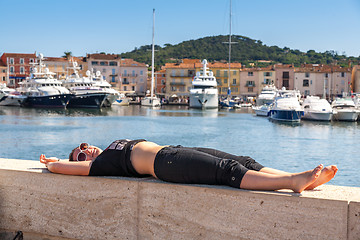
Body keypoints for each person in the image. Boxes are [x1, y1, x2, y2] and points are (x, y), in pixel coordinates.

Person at [40, 139, 338, 193]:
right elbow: (59, 170)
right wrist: (54, 162)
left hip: (173, 151)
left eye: (82, 147)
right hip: (165, 164)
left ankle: (304, 180)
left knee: (242, 161)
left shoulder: (107, 149)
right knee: (226, 171)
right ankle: (292, 182)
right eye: (80, 156)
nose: (85, 152)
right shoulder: (99, 165)